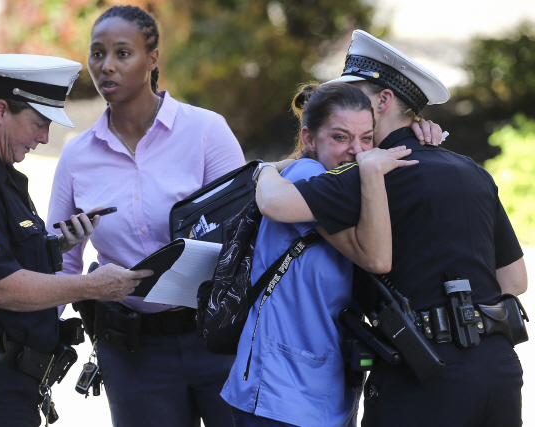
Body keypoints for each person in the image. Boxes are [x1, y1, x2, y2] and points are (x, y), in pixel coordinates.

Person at [253, 30, 528, 427]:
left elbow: (275, 203)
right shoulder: (470, 169)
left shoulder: (363, 173)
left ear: (382, 101)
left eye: (356, 93)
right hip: (498, 370)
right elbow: (514, 279)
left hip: (423, 376)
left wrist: (265, 168)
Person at [0, 54, 152, 427]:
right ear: (2, 110)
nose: (44, 138)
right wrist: (92, 286)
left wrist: (55, 246)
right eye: (39, 124)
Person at [45, 5, 245, 427]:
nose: (106, 67)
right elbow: (61, 259)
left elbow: (245, 235)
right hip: (132, 354)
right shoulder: (77, 156)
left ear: (152, 59)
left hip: (218, 340)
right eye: (97, 54)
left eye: (122, 53)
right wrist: (39, 335)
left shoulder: (206, 131)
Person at [221, 81, 423, 427]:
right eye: (340, 137)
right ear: (310, 139)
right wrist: (373, 169)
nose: (357, 151)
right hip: (279, 396)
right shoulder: (311, 177)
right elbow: (377, 259)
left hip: (319, 394)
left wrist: (419, 129)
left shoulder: (336, 181)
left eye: (367, 138)